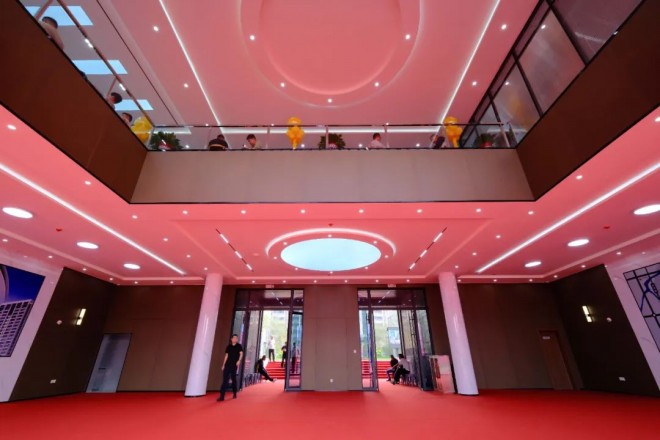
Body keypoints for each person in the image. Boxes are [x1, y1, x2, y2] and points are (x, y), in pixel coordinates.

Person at [218, 334, 243, 401]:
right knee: (225, 380)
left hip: (234, 365)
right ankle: (222, 396)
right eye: (234, 338)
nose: (235, 339)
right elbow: (226, 356)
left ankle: (234, 393)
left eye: (236, 338)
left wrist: (239, 360)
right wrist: (223, 365)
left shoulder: (239, 346)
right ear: (231, 339)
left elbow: (241, 354)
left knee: (233, 379)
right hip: (227, 365)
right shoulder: (228, 346)